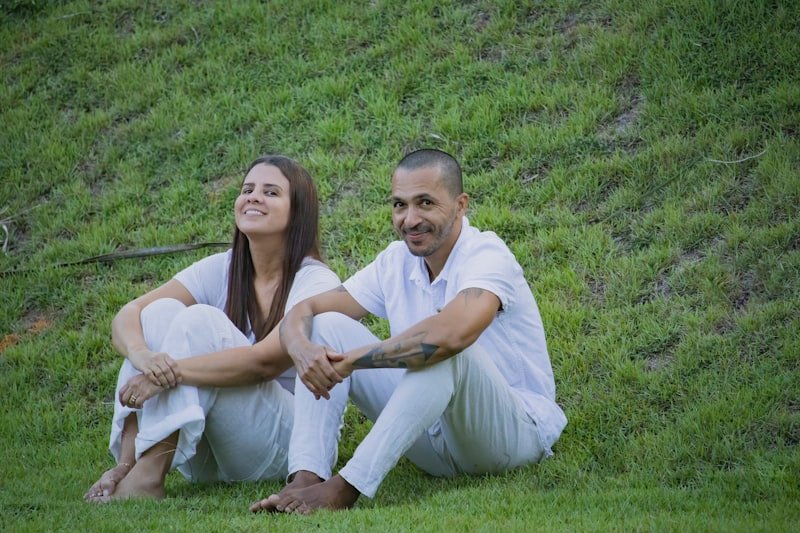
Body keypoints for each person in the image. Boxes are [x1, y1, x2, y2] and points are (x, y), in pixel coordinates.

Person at [251, 149, 567, 514]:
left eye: (426, 203)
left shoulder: (487, 255)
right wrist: (302, 348)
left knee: (444, 352)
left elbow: (451, 335)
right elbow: (305, 310)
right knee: (326, 327)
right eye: (400, 205)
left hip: (509, 436)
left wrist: (351, 361)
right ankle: (306, 478)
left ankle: (347, 487)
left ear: (461, 204)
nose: (410, 219)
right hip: (432, 440)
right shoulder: (395, 260)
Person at [84, 155, 340, 502]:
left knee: (199, 321)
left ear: (298, 212)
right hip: (203, 451)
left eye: (270, 192)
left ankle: (148, 476)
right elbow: (128, 315)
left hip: (278, 445)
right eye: (247, 189)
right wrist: (143, 357)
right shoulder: (223, 268)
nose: (253, 197)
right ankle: (129, 464)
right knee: (159, 312)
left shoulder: (317, 281)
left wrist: (164, 374)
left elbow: (264, 363)